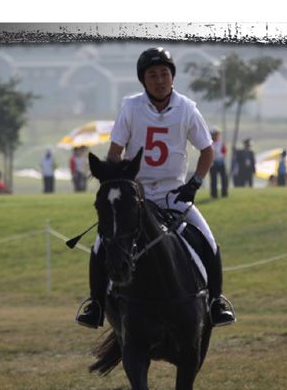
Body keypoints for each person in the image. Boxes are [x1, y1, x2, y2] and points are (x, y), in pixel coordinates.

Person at [76, 47, 235, 329]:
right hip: (137, 197)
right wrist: (120, 186)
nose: (160, 80)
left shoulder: (187, 108)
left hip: (175, 195)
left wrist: (194, 184)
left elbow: (207, 151)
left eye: (164, 74)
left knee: (208, 241)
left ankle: (216, 302)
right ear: (143, 80)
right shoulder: (130, 107)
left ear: (172, 76)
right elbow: (115, 152)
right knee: (101, 244)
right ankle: (96, 304)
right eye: (152, 75)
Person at [209, 127, 228, 198]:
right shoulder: (209, 143)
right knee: (214, 180)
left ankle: (224, 193)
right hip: (212, 163)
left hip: (221, 162)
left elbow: (225, 151)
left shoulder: (221, 143)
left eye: (217, 134)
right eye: (215, 134)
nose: (217, 136)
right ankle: (214, 194)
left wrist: (222, 155)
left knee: (224, 179)